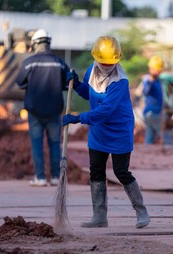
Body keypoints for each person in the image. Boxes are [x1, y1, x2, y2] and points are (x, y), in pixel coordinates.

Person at [62, 36, 150, 229]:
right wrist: (77, 85)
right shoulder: (91, 71)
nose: (106, 65)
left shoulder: (120, 81)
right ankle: (99, 216)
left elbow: (105, 110)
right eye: (103, 61)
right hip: (99, 131)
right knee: (96, 172)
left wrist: (79, 118)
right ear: (96, 57)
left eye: (111, 62)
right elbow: (90, 92)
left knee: (121, 171)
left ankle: (141, 212)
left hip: (119, 130)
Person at [16, 29, 70, 186]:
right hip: (54, 111)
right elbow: (68, 84)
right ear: (48, 43)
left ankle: (39, 178)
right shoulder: (59, 62)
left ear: (34, 44)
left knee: (37, 143)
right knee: (54, 144)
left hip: (34, 111)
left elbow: (20, 83)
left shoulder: (29, 63)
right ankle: (55, 177)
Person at [142, 55, 164, 144]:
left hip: (156, 113)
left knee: (151, 136)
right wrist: (149, 82)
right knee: (159, 136)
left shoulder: (158, 81)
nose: (158, 72)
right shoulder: (148, 80)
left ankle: (151, 154)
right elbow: (145, 92)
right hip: (150, 113)